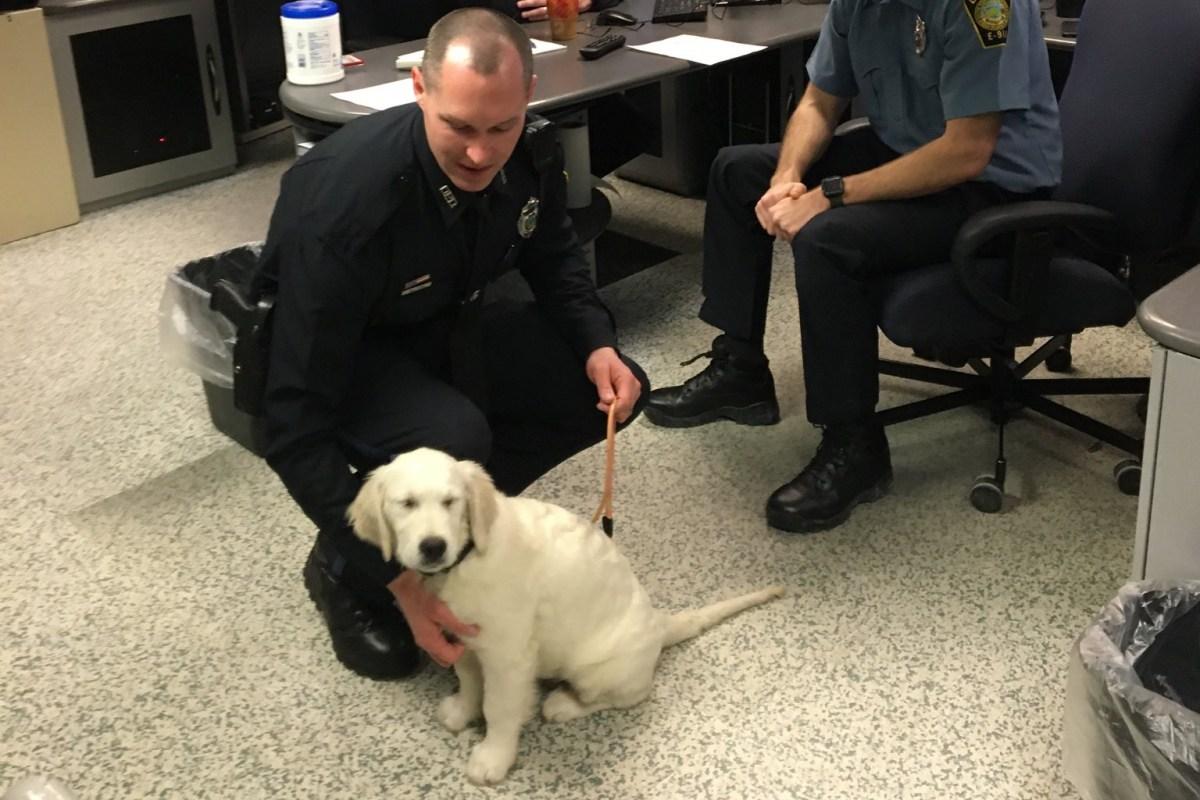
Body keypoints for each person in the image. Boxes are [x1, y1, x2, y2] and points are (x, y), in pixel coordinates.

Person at [256, 8, 648, 681]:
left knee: (605, 391)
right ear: (420, 92)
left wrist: (597, 343)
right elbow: (290, 426)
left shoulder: (529, 150)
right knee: (455, 436)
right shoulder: (347, 208)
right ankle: (345, 568)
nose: (480, 152)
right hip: (344, 353)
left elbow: (553, 254)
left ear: (528, 97)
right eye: (458, 127)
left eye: (501, 126)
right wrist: (399, 587)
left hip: (442, 320)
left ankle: (443, 541)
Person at [644, 0, 1061, 532]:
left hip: (997, 190)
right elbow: (820, 100)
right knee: (737, 170)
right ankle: (741, 371)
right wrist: (787, 177)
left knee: (828, 239)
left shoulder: (983, 6)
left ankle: (855, 444)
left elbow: (967, 152)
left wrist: (831, 196)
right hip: (906, 153)